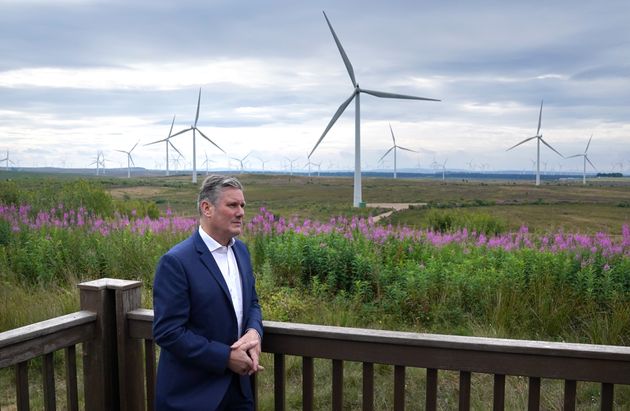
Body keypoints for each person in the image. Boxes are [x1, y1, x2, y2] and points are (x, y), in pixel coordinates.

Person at [153, 174, 263, 411]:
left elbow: (252, 302)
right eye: (232, 205)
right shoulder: (176, 262)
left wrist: (254, 331)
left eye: (242, 205)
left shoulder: (241, 252)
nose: (241, 212)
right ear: (207, 208)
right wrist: (225, 357)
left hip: (239, 391)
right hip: (193, 396)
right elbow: (168, 332)